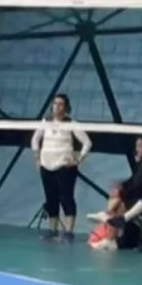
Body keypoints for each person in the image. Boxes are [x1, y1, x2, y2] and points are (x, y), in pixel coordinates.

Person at [31, 93, 91, 242]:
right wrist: (37, 158)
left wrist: (78, 160)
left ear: (66, 107)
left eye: (61, 104)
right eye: (55, 104)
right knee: (51, 199)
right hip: (46, 166)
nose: (57, 107)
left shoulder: (72, 124)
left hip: (64, 167)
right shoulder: (45, 122)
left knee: (66, 198)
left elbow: (87, 142)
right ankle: (52, 231)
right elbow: (35, 140)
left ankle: (69, 233)